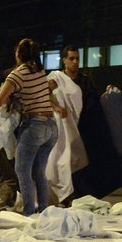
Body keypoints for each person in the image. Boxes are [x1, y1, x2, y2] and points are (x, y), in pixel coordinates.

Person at [0, 38, 62, 216]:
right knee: (38, 171)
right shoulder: (39, 70)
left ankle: (29, 212)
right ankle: (44, 211)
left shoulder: (17, 74)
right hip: (52, 127)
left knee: (22, 171)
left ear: (18, 54)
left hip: (34, 126)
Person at [45, 47, 88, 205]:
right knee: (58, 161)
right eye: (71, 58)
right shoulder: (56, 78)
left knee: (73, 162)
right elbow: (43, 94)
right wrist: (56, 107)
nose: (75, 62)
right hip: (60, 127)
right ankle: (61, 196)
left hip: (77, 127)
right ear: (64, 60)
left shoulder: (84, 80)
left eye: (77, 58)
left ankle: (71, 197)